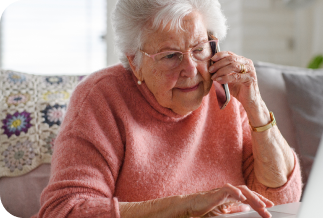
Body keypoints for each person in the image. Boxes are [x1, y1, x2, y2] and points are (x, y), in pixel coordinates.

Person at [33, 0, 302, 217]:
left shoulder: (226, 93)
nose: (191, 70)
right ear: (135, 62)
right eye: (170, 56)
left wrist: (255, 106)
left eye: (199, 50)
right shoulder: (101, 97)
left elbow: (280, 201)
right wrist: (184, 207)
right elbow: (65, 210)